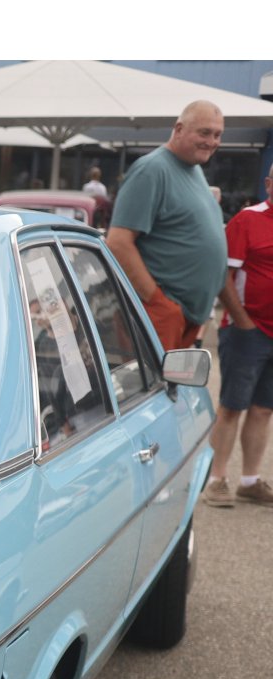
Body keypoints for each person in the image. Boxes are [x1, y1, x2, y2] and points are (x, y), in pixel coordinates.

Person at [107, 101, 227, 351]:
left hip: (183, 318)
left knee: (176, 389)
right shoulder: (152, 170)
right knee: (159, 389)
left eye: (217, 135)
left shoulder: (193, 169)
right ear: (179, 128)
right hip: (162, 316)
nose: (212, 141)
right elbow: (118, 242)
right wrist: (159, 303)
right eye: (204, 132)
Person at [202, 163, 273, 508]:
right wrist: (243, 321)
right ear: (268, 184)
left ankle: (249, 480)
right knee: (232, 405)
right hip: (248, 331)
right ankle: (216, 479)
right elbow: (222, 275)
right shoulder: (247, 220)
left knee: (262, 409)